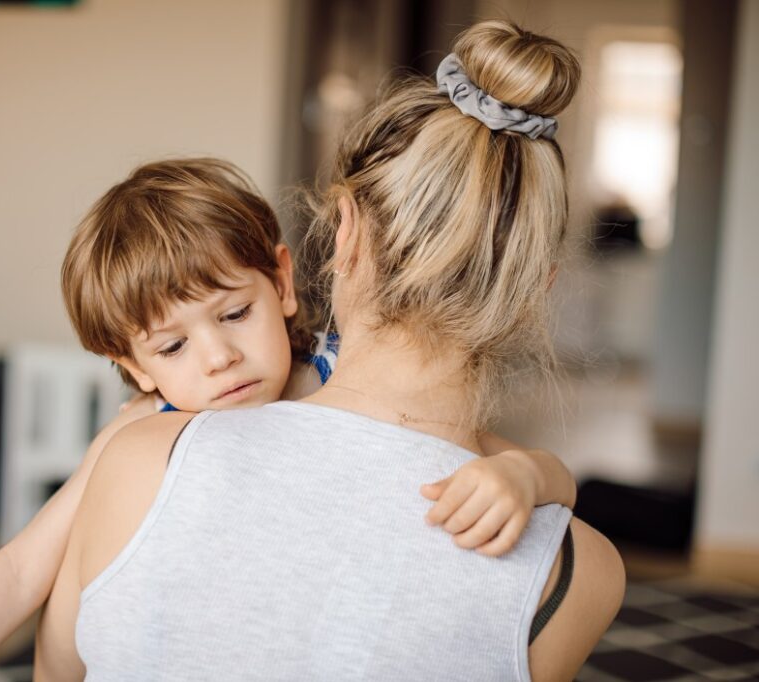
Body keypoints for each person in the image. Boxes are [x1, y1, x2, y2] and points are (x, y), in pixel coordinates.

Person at [37, 20, 625, 682]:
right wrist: (541, 476)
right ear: (534, 292)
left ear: (343, 232)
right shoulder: (581, 570)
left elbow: (56, 671)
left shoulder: (141, 456)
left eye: (231, 313)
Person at [0, 159, 576, 682]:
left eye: (233, 314)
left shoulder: (347, 379)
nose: (219, 358)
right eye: (172, 347)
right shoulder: (142, 434)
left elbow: (523, 468)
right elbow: (17, 572)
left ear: (281, 283)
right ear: (132, 365)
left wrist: (524, 473)